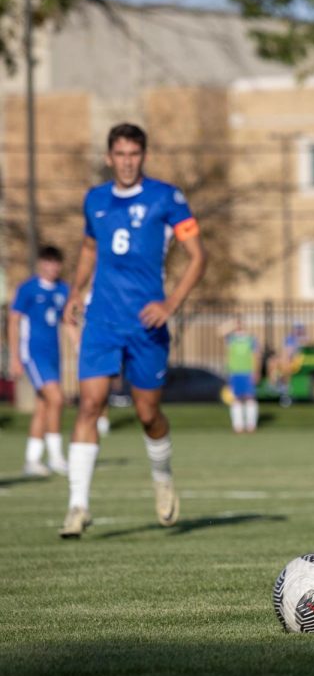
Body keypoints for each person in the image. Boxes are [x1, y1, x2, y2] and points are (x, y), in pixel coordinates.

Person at [59, 123, 207, 538]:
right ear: (109, 158)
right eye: (120, 154)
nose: (126, 161)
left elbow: (198, 256)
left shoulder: (167, 198)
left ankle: (162, 477)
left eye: (134, 154)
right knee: (90, 404)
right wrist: (76, 291)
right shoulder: (95, 199)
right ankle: (77, 507)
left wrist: (170, 304)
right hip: (102, 319)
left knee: (147, 414)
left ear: (143, 156)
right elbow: (90, 248)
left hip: (147, 323)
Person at [7, 245, 70, 476]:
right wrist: (14, 356)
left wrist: (80, 346)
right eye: (47, 262)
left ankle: (32, 460)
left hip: (54, 354)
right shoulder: (28, 289)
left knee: (44, 406)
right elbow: (13, 321)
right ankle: (55, 457)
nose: (51, 267)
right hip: (33, 353)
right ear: (40, 263)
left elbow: (68, 320)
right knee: (57, 398)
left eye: (55, 263)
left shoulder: (63, 289)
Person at [223, 317, 260, 434]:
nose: (239, 326)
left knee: (250, 398)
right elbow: (219, 332)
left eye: (240, 324)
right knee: (237, 400)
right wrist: (231, 324)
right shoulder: (231, 339)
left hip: (248, 372)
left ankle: (251, 425)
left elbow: (256, 356)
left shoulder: (251, 339)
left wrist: (256, 371)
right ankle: (238, 426)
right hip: (235, 372)